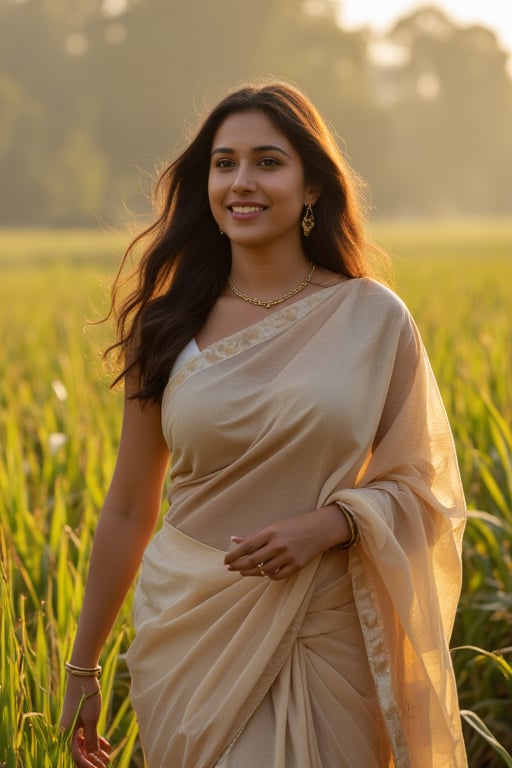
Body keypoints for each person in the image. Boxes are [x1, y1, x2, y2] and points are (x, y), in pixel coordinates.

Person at [60, 80, 468, 767]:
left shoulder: (372, 319)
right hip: (190, 633)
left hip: (323, 631)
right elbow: (129, 508)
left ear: (312, 186)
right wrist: (82, 670)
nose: (241, 182)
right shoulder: (166, 328)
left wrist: (332, 524)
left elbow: (428, 490)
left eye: (267, 162)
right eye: (225, 163)